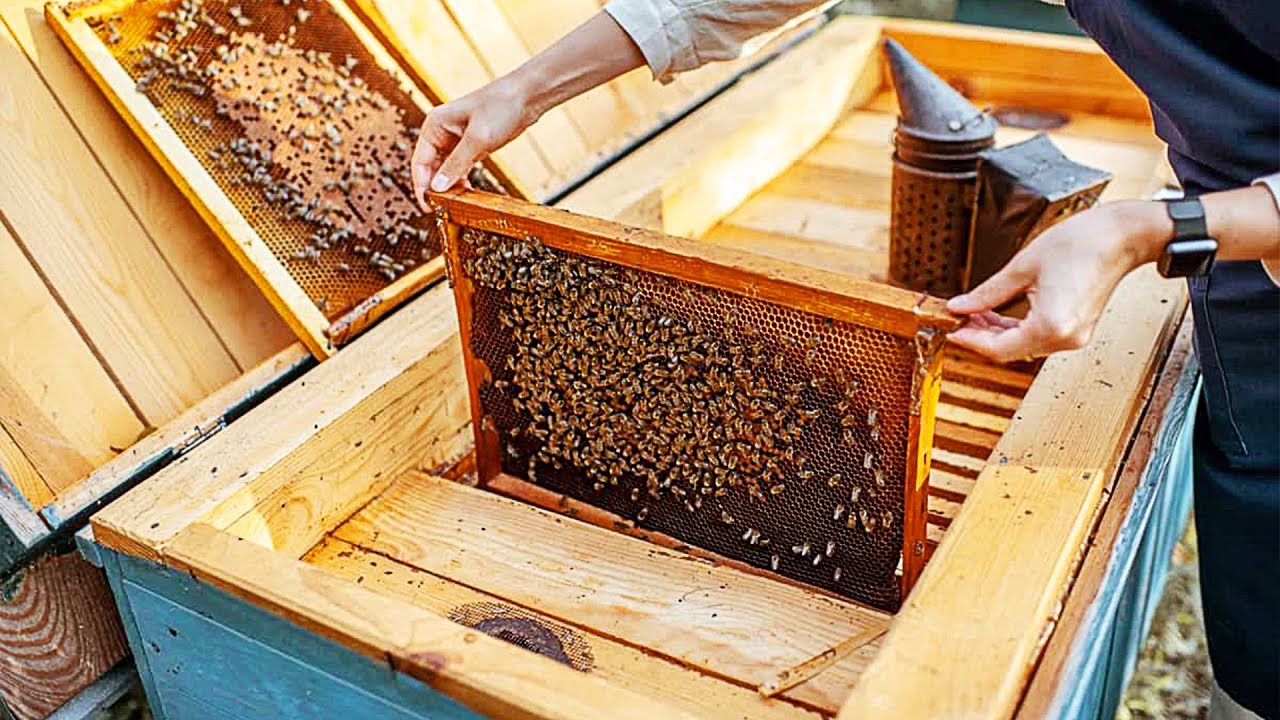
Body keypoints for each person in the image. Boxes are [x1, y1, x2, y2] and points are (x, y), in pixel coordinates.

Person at [409, 2, 1279, 717]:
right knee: (1258, 636)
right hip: (1225, 251)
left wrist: (1148, 230)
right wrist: (528, 87)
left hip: (1221, 230)